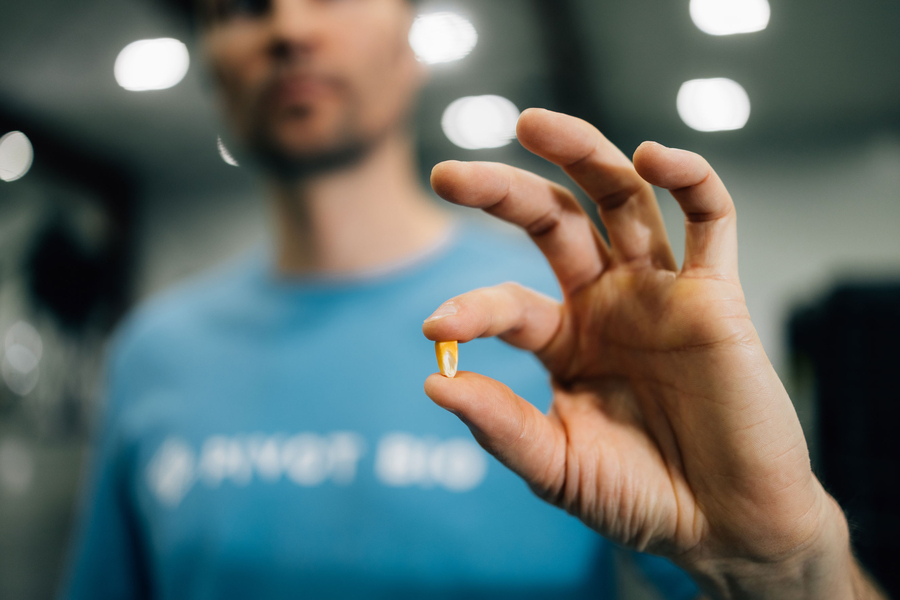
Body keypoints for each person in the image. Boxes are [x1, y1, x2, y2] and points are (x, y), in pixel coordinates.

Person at [62, 0, 700, 598]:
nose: (287, 27)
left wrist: (785, 558)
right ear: (211, 67)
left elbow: (739, 573)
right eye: (243, 4)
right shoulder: (152, 353)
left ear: (411, 42)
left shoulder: (564, 322)